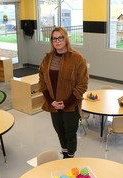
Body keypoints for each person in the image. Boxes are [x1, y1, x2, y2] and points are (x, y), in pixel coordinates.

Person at [38, 27, 89, 158]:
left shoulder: (77, 59)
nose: (57, 41)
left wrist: (66, 102)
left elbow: (82, 84)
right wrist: (51, 101)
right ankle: (64, 151)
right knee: (59, 131)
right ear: (51, 41)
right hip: (54, 105)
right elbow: (42, 81)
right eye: (54, 38)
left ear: (66, 39)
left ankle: (70, 156)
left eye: (60, 38)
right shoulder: (47, 58)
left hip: (70, 105)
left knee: (70, 133)